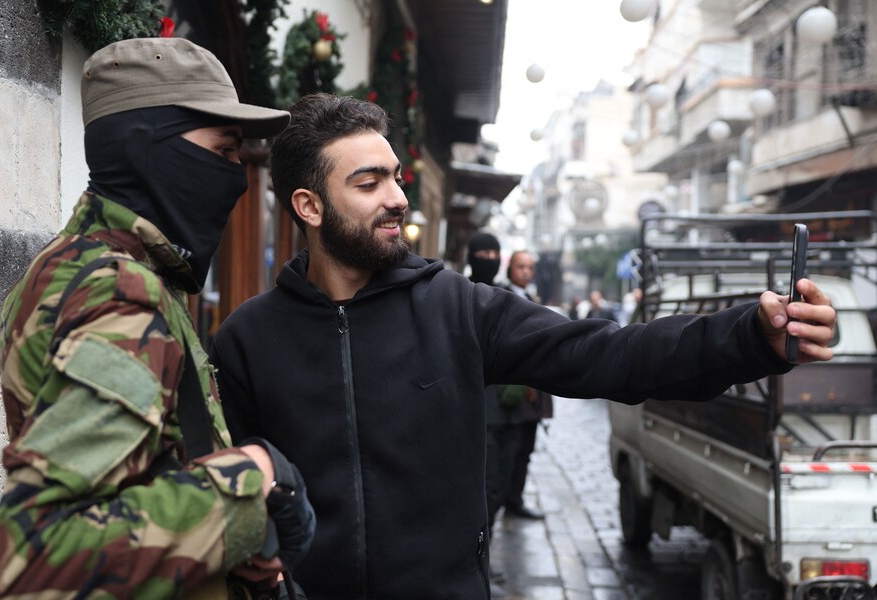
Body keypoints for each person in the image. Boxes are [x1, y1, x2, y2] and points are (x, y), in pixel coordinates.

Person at [209, 93, 837, 600]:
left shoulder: (459, 307)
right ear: (309, 206)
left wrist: (752, 335)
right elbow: (228, 492)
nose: (397, 198)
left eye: (396, 178)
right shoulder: (246, 339)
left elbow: (614, 357)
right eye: (368, 183)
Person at [0, 37, 315, 600]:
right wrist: (251, 480)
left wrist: (230, 544)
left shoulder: (80, 264)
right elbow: (35, 559)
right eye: (224, 150)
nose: (237, 177)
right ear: (146, 149)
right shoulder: (118, 292)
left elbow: (131, 481)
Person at [465, 232, 509, 596]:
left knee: (495, 487)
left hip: (501, 416)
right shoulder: (456, 296)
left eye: (494, 252)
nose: (489, 257)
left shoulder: (506, 298)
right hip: (466, 413)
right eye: (482, 252)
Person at [499, 251, 553, 520]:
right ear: (511, 268)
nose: (525, 272)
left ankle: (514, 499)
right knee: (507, 452)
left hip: (532, 393)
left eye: (530, 267)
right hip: (510, 391)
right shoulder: (499, 295)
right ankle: (500, 499)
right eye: (521, 266)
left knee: (524, 451)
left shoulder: (533, 299)